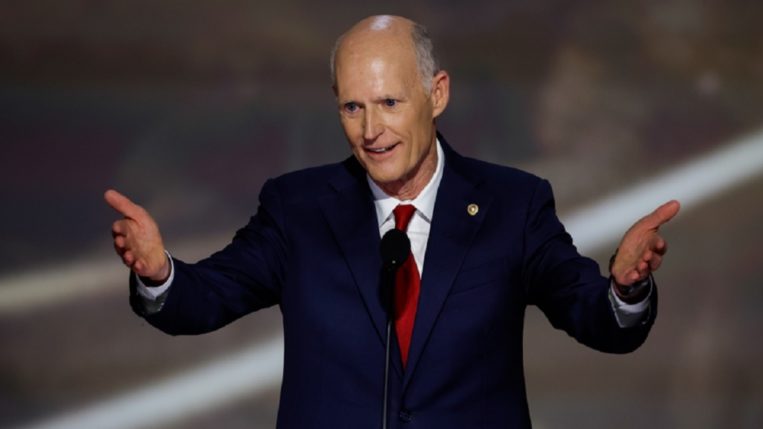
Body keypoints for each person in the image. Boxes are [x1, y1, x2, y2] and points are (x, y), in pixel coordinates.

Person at [105, 15, 679, 429]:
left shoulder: (513, 204)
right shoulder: (299, 209)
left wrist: (625, 290)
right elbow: (206, 298)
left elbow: (592, 315)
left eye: (389, 103)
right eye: (352, 107)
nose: (369, 130)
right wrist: (160, 275)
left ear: (438, 94)